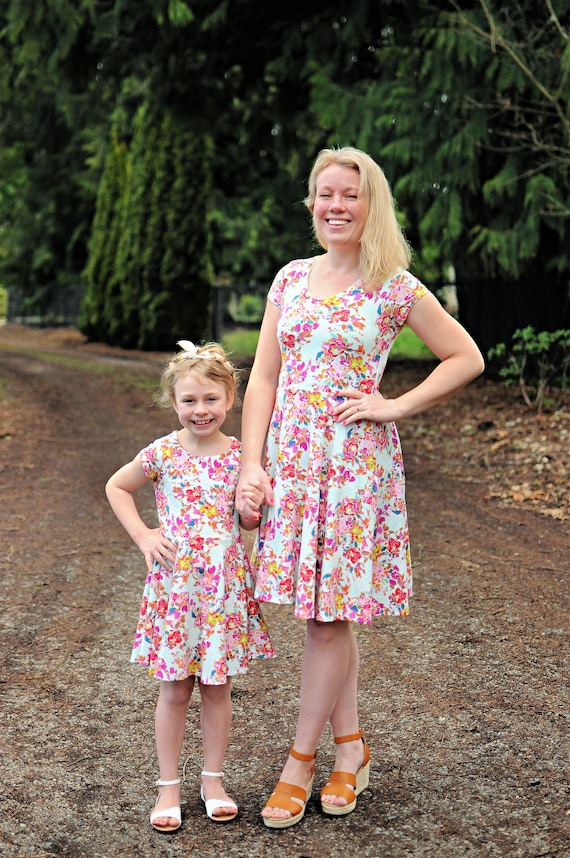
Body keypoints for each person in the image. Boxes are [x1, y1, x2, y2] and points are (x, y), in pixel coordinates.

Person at [235, 146, 485, 829]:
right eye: (325, 194)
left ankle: (299, 760)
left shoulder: (395, 285)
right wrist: (252, 463)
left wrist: (395, 405)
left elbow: (466, 356)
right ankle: (351, 750)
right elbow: (262, 377)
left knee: (326, 616)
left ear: (371, 205)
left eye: (350, 194)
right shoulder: (289, 280)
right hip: (291, 463)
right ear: (312, 203)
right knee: (322, 612)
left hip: (353, 472)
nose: (336, 206)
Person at [105, 340, 274, 833]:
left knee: (218, 689)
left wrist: (249, 511)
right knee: (175, 690)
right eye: (189, 400)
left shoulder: (243, 457)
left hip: (221, 588)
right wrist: (144, 535)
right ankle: (168, 787)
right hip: (176, 589)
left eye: (211, 400)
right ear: (173, 402)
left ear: (231, 398)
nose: (201, 410)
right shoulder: (162, 453)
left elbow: (247, 523)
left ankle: (213, 781)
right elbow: (117, 486)